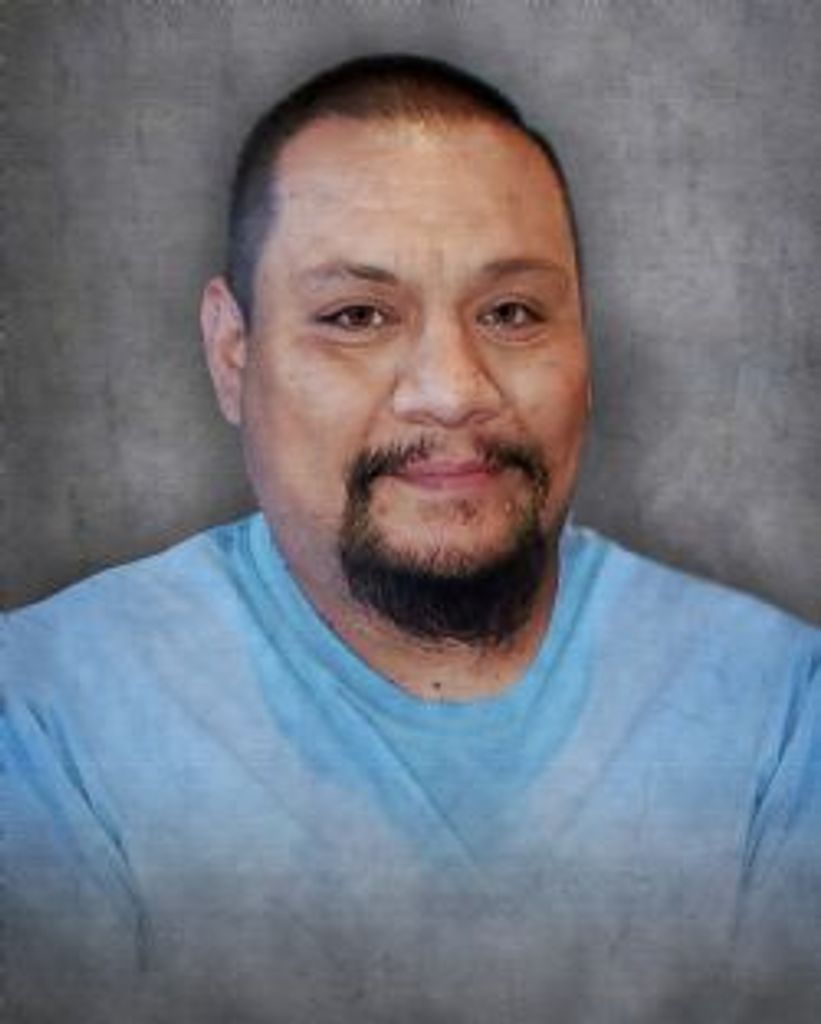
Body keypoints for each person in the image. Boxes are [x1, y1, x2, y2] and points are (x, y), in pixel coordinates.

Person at [3, 54, 819, 1024]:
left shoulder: (776, 712)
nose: (452, 390)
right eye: (357, 316)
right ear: (232, 354)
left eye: (511, 313)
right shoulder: (47, 716)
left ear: (584, 348)